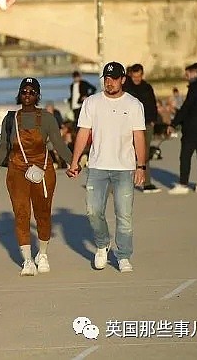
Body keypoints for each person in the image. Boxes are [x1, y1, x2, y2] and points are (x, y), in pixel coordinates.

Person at [0, 78, 73, 276]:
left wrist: (73, 163)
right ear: (19, 94)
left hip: (43, 170)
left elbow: (59, 144)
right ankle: (27, 260)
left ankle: (42, 254)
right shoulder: (10, 119)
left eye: (32, 92)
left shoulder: (47, 118)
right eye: (24, 91)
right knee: (21, 214)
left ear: (37, 95)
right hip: (16, 171)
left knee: (43, 214)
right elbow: (3, 147)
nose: (27, 95)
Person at [67, 61, 146, 273]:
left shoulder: (133, 104)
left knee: (124, 215)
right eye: (106, 78)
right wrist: (75, 161)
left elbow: (139, 136)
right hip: (97, 166)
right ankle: (102, 244)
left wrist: (141, 166)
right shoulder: (92, 103)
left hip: (124, 167)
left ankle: (123, 256)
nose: (109, 82)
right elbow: (83, 133)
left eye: (113, 78)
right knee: (93, 211)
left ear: (123, 79)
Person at [167, 63, 197, 194]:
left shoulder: (195, 87)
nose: (186, 77)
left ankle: (183, 184)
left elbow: (186, 107)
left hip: (193, 128)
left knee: (185, 156)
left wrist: (173, 123)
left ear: (195, 73)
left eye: (187, 74)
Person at [123, 63, 161, 193]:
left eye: (138, 77)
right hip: (130, 125)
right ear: (131, 75)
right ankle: (121, 183)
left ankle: (146, 182)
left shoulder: (147, 87)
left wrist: (153, 121)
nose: (136, 79)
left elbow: (153, 104)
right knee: (127, 153)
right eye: (134, 77)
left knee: (144, 154)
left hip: (147, 123)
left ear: (142, 75)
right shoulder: (127, 87)